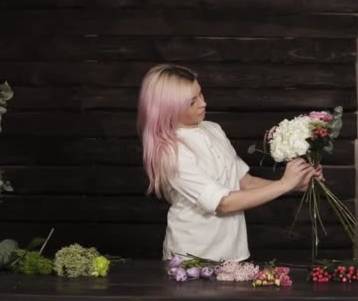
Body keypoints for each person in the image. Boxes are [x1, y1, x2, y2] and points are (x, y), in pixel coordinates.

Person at [137, 64, 321, 262]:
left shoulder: (212, 129)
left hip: (234, 254)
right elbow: (222, 203)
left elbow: (244, 182)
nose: (203, 103)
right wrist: (284, 184)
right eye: (192, 102)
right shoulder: (171, 152)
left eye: (201, 94)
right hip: (193, 257)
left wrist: (294, 185)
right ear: (169, 109)